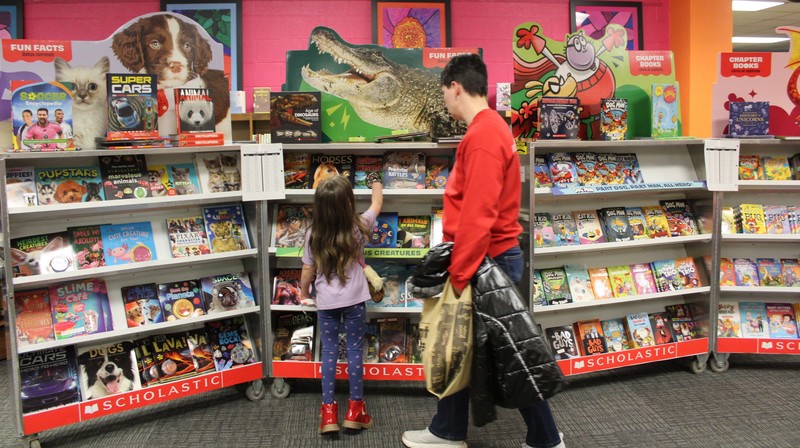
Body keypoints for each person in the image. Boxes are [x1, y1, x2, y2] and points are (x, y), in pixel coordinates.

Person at [401, 53, 565, 448]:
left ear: (455, 87)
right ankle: (449, 428)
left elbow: (479, 211)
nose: (443, 101)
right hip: (487, 255)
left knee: (511, 353)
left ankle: (545, 437)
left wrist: (459, 273)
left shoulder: (483, 135)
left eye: (444, 93)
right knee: (468, 345)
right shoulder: (491, 129)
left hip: (486, 258)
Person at [299, 175, 383, 435]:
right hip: (355, 301)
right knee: (356, 350)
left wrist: (303, 293)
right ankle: (355, 410)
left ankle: (328, 413)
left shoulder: (313, 233)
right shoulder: (359, 225)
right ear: (348, 202)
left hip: (326, 303)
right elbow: (377, 203)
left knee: (330, 352)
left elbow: (307, 269)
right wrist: (376, 183)